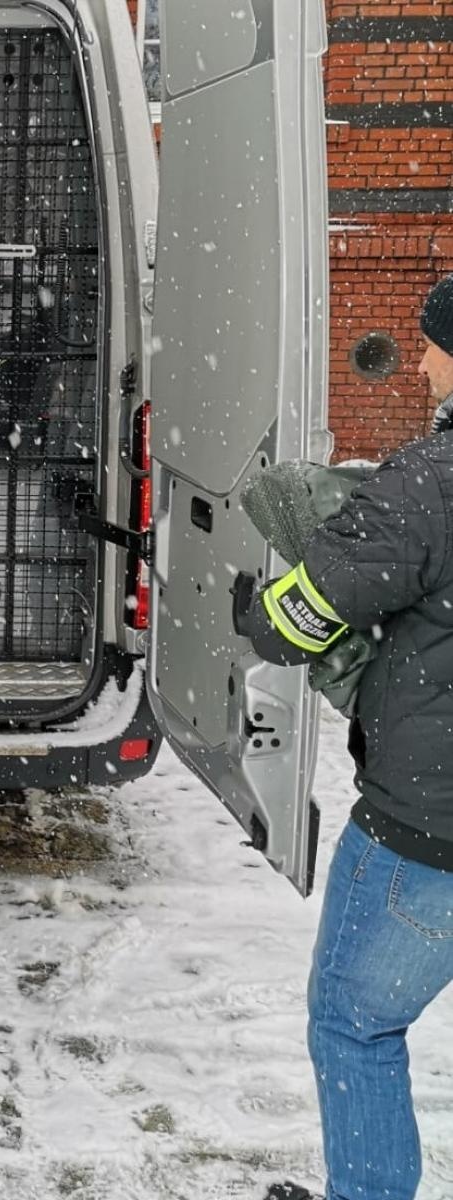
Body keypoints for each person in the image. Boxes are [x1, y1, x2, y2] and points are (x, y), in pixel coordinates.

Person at [234, 275, 453, 1200]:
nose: (425, 361)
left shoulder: (429, 481)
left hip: (428, 829)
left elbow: (309, 611)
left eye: (434, 343)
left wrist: (257, 613)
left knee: (353, 1025)